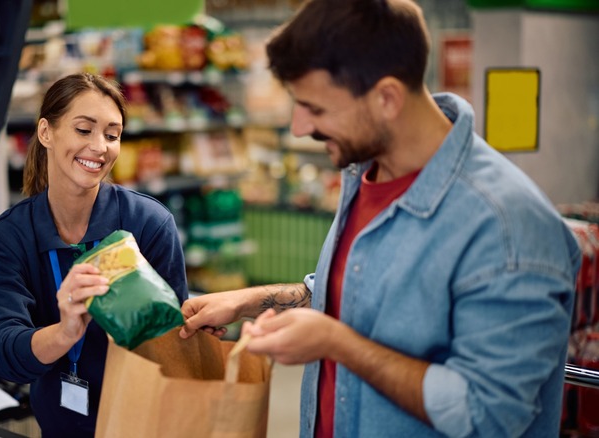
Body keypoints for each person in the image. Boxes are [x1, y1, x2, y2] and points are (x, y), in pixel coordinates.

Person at [180, 0, 580, 436]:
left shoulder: (507, 227)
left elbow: (487, 414)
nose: (298, 127)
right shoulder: (363, 174)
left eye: (315, 108)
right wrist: (249, 302)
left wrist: (338, 344)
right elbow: (347, 296)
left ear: (386, 98)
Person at [0, 73, 188, 436]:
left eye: (112, 134)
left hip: (145, 423)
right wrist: (65, 332)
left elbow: (176, 344)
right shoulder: (6, 238)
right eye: (83, 130)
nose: (100, 146)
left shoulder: (149, 223)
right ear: (46, 132)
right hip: (59, 426)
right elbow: (5, 354)